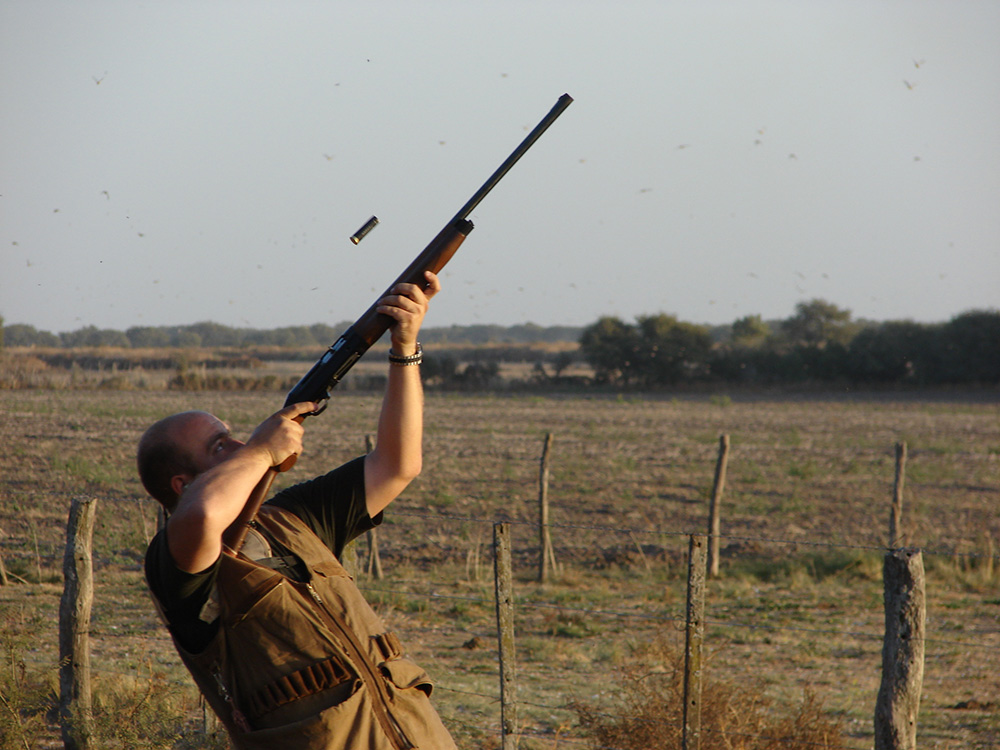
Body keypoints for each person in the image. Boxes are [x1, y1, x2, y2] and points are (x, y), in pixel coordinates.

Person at [138, 271, 458, 750]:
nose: (241, 445)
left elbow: (397, 466)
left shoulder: (293, 517)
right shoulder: (176, 559)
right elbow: (202, 516)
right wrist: (263, 451)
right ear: (182, 485)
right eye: (220, 446)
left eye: (236, 438)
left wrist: (404, 348)